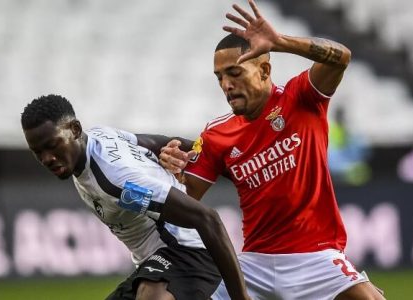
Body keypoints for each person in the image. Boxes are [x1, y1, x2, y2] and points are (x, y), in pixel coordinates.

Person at [159, 0, 385, 299]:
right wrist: (170, 171)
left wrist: (281, 42)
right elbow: (185, 198)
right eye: (220, 78)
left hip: (316, 257)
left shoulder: (300, 98)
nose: (226, 84)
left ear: (264, 70)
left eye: (234, 73)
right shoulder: (216, 134)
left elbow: (341, 57)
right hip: (254, 265)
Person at [20, 95, 250, 300]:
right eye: (37, 151)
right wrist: (184, 153)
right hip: (155, 262)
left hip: (188, 251)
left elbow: (207, 219)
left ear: (76, 130)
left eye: (52, 145)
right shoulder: (100, 136)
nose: (47, 158)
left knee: (153, 296)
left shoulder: (116, 183)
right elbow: (160, 144)